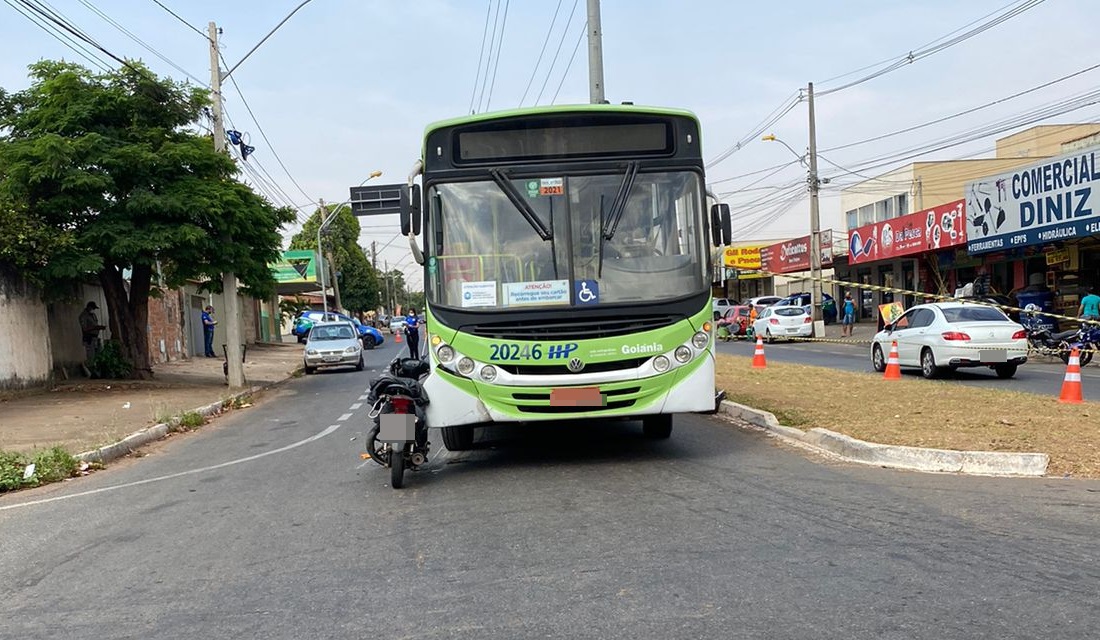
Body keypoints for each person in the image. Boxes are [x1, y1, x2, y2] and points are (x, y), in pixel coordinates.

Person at [78, 301, 106, 371]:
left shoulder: (93, 315)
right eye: (93, 308)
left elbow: (95, 324)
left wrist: (99, 327)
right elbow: (84, 329)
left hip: (95, 337)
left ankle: (98, 370)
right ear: (89, 307)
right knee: (91, 356)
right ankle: (91, 371)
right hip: (89, 338)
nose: (93, 310)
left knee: (99, 355)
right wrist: (95, 328)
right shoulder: (83, 316)